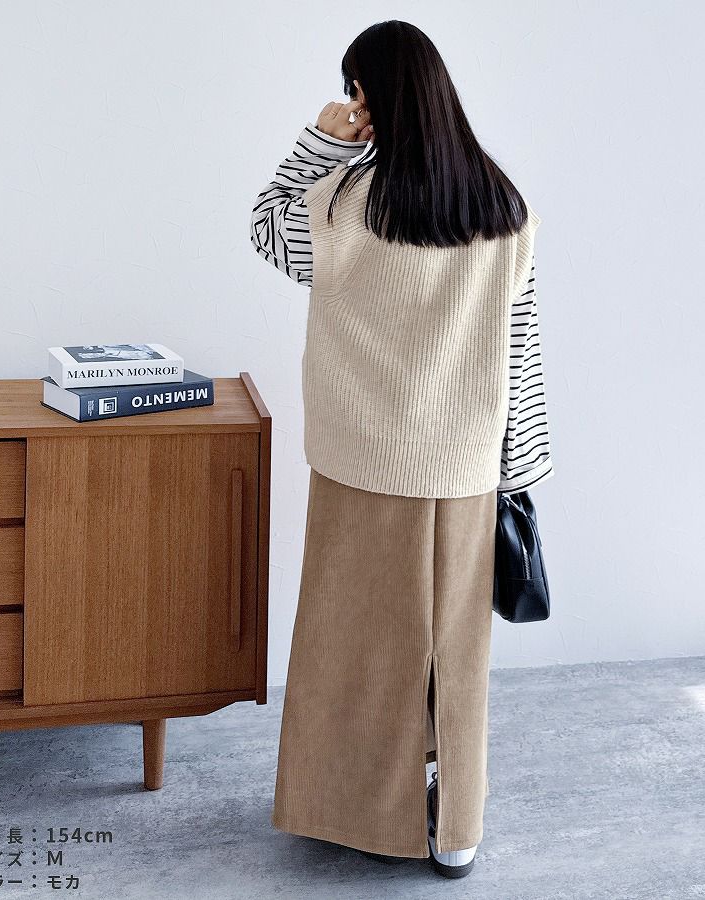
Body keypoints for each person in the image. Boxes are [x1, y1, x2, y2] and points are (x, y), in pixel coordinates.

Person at [249, 19, 554, 880]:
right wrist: (518, 469)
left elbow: (266, 228)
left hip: (360, 460)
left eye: (356, 90)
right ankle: (455, 827)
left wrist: (320, 142)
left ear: (374, 96)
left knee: (349, 645)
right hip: (464, 466)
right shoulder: (503, 205)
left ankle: (344, 809)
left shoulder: (343, 203)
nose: (353, 105)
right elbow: (519, 347)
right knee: (454, 653)